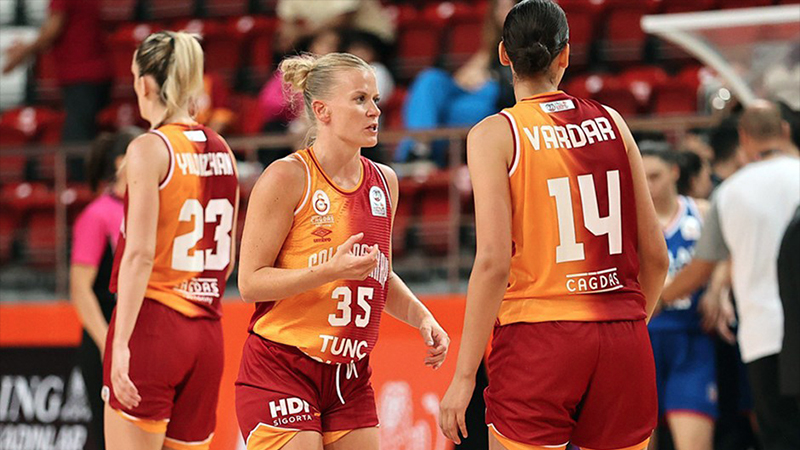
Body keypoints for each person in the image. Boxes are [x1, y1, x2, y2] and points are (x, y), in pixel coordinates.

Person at [438, 2, 669, 450]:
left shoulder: (494, 134)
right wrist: (628, 326)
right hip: (621, 330)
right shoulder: (613, 123)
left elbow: (492, 263)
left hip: (538, 336)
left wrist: (464, 378)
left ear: (503, 54)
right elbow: (656, 256)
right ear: (565, 54)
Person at [235, 52, 450, 450]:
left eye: (376, 100)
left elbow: (377, 272)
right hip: (282, 366)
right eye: (360, 99)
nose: (375, 111)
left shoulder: (385, 181)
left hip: (349, 375)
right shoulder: (287, 176)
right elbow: (249, 283)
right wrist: (329, 271)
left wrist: (421, 316)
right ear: (323, 111)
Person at [102, 31, 240, 450]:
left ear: (145, 84)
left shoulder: (149, 148)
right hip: (208, 334)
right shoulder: (223, 149)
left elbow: (140, 255)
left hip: (154, 326)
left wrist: (120, 343)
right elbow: (229, 259)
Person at [661, 100, 800, 450]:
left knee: (781, 437)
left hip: (764, 334)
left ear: (744, 137)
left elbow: (701, 268)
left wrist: (660, 297)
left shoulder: (730, 192)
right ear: (785, 131)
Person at [642, 149, 716, 450]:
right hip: (642, 343)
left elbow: (727, 252)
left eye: (655, 176)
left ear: (674, 172)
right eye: (642, 177)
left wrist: (718, 288)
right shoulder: (625, 218)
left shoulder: (702, 211)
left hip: (691, 338)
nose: (648, 185)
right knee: (640, 442)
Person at [70, 130, 137, 449]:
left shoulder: (148, 208)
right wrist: (108, 342)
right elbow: (80, 289)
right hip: (106, 342)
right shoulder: (96, 215)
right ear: (122, 162)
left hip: (139, 341)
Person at [397, 0, 519, 167]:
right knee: (430, 79)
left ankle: (417, 153)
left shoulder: (527, 46)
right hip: (470, 97)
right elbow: (463, 79)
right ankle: (420, 147)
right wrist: (477, 78)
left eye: (509, 6)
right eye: (500, 7)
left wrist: (492, 78)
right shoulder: (492, 47)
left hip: (493, 104)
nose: (504, 12)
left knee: (443, 112)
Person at [2, 0, 111, 144]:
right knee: (84, 135)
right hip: (94, 72)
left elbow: (52, 30)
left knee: (77, 140)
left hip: (82, 76)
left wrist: (22, 53)